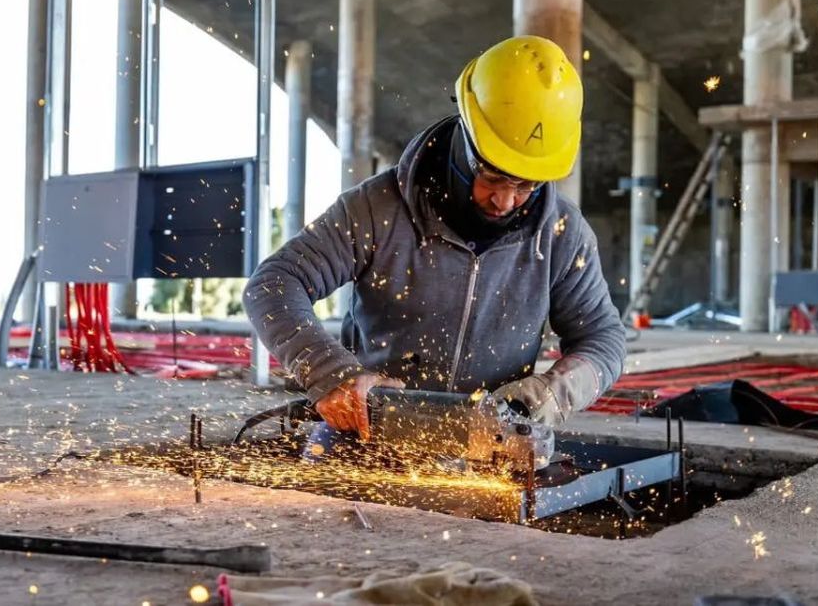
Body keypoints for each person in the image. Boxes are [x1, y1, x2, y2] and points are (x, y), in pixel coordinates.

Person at [244, 35, 625, 447]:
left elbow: (603, 339)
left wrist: (550, 394)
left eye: (525, 185)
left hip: (493, 445)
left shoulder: (561, 234)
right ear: (465, 138)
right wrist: (332, 374)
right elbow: (274, 284)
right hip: (369, 433)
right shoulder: (377, 208)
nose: (505, 201)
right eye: (492, 177)